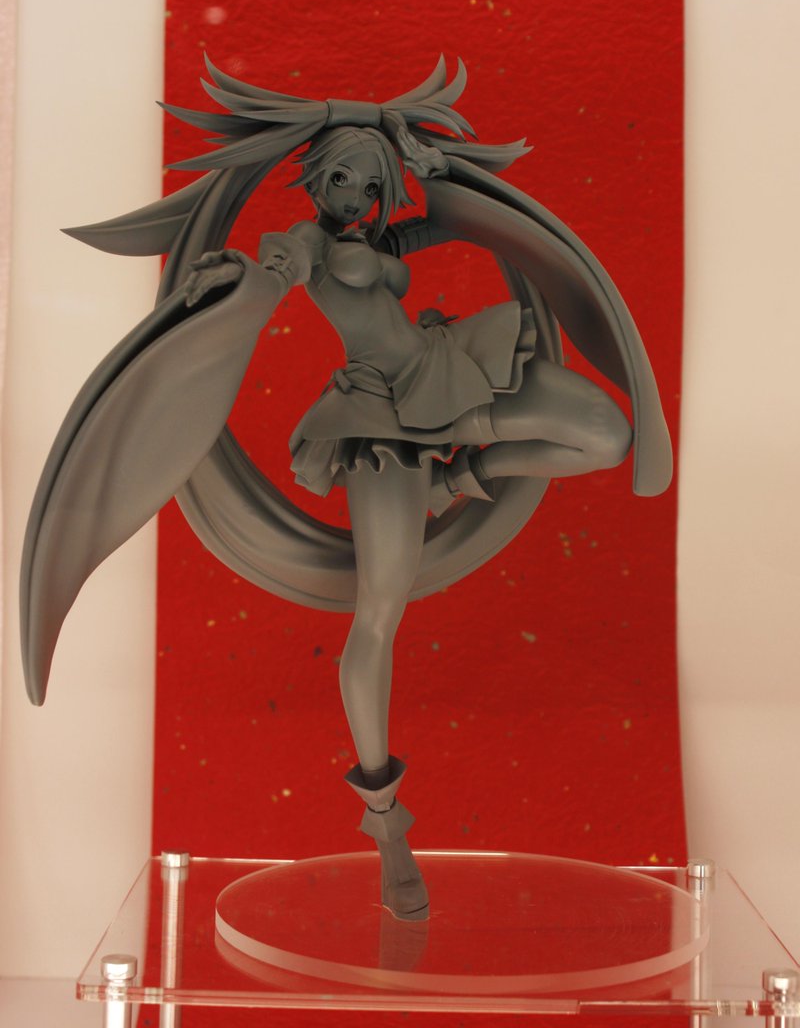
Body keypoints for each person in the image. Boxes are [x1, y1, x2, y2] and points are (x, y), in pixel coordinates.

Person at [21, 58, 671, 922]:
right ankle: (386, 822)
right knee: (378, 620)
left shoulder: (385, 239)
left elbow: (458, 219)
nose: (356, 196)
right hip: (380, 425)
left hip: (449, 371)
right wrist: (236, 280)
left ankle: (462, 477)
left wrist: (431, 167)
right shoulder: (307, 245)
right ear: (315, 179)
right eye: (341, 179)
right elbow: (274, 269)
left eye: (370, 183)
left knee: (607, 433)